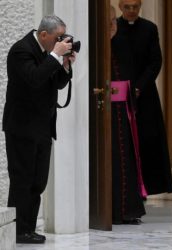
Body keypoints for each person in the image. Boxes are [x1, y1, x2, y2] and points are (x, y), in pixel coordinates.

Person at [2, 15, 76, 244]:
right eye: (58, 38)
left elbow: (55, 83)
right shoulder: (20, 51)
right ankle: (18, 230)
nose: (61, 42)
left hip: (43, 127)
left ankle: (28, 229)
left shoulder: (47, 53)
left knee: (38, 181)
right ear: (44, 35)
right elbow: (34, 78)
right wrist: (55, 55)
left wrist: (65, 65)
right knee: (22, 180)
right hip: (22, 128)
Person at [112, 0, 172, 195]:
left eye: (135, 7)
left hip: (145, 93)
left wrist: (139, 87)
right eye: (127, 7)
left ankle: (148, 187)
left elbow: (155, 61)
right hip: (120, 91)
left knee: (148, 138)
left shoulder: (149, 28)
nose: (131, 11)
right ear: (121, 7)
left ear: (140, 7)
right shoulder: (114, 27)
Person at [110, 4, 146, 225]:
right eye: (107, 22)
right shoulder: (95, 46)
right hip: (104, 110)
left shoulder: (122, 43)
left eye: (113, 21)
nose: (111, 26)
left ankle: (127, 210)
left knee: (126, 159)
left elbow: (130, 74)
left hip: (123, 109)